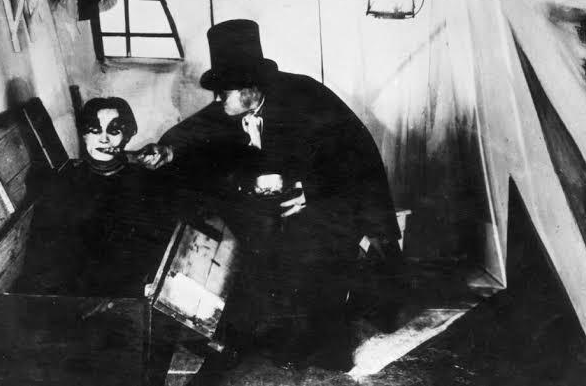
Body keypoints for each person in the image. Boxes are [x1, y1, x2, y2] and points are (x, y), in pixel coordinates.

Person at [137, 19, 401, 371]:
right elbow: (197, 127)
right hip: (295, 199)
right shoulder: (238, 104)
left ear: (250, 88)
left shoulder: (305, 97)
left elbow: (354, 155)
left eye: (223, 92)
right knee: (254, 238)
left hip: (343, 196)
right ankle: (254, 332)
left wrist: (310, 191)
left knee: (321, 260)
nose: (217, 100)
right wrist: (166, 150)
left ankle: (328, 342)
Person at [13, 97, 174, 297]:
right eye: (94, 130)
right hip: (73, 295)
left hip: (124, 294)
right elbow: (46, 256)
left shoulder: (145, 184)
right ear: (83, 135)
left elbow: (150, 255)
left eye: (114, 130)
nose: (103, 139)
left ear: (127, 135)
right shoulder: (63, 182)